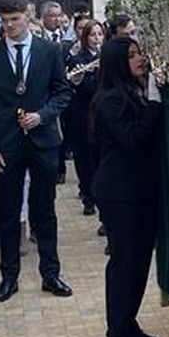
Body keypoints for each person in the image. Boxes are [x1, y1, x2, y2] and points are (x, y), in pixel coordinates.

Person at [0, 0, 73, 303]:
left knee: (44, 210)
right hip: (6, 145)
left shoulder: (49, 51)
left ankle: (51, 273)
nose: (10, 26)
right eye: (4, 21)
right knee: (7, 212)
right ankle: (8, 277)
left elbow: (62, 92)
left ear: (28, 17)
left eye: (15, 20)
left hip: (43, 142)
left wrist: (42, 115)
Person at [91, 37, 164, 337]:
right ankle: (115, 336)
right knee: (123, 265)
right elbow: (133, 140)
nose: (140, 59)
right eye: (132, 55)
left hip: (139, 190)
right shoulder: (110, 100)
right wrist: (153, 104)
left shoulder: (129, 92)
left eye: (140, 53)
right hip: (120, 193)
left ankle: (128, 324)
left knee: (138, 263)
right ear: (118, 62)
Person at [65, 21, 106, 215]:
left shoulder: (107, 58)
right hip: (82, 116)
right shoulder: (77, 58)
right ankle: (88, 198)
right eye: (92, 35)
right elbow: (80, 89)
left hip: (102, 117)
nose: (97, 38)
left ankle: (101, 198)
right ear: (85, 38)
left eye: (99, 34)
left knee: (100, 159)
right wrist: (84, 75)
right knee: (84, 159)